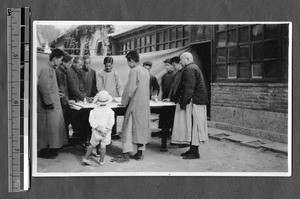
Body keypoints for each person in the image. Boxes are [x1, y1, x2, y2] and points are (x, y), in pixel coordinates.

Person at [111, 50, 151, 163]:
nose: (128, 65)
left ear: (131, 61)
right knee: (141, 129)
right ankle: (140, 153)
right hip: (144, 105)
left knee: (128, 129)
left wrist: (123, 102)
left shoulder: (134, 71)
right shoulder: (145, 71)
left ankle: (126, 155)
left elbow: (130, 90)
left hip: (135, 105)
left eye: (128, 62)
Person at [171, 52, 209, 159]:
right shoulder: (192, 68)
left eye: (181, 60)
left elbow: (189, 88)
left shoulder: (190, 69)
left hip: (195, 102)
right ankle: (192, 149)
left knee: (194, 126)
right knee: (193, 127)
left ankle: (195, 152)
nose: (180, 62)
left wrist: (182, 102)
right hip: (197, 101)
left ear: (187, 59)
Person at [37, 48, 68, 159]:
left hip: (52, 105)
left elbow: (49, 87)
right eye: (60, 60)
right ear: (54, 58)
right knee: (48, 130)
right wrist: (49, 102)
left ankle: (50, 149)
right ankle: (45, 151)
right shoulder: (46, 69)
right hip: (48, 107)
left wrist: (56, 94)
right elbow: (44, 87)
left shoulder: (51, 69)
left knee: (52, 129)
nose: (61, 62)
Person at [82, 91, 115, 166]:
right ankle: (101, 161)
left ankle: (86, 158)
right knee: (103, 145)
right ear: (108, 101)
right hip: (106, 132)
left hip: (96, 131)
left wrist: (98, 128)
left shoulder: (93, 111)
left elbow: (92, 121)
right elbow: (111, 122)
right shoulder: (110, 111)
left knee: (92, 144)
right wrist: (106, 131)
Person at [155, 58, 178, 138]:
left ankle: (171, 132)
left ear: (172, 65)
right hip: (165, 98)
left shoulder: (176, 75)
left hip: (172, 99)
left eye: (168, 65)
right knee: (164, 115)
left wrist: (171, 97)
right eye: (165, 66)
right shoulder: (164, 76)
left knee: (171, 116)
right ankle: (164, 131)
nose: (167, 67)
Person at [55, 54, 74, 142]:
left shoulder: (63, 71)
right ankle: (64, 142)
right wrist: (67, 101)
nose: (70, 65)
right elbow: (61, 88)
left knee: (66, 121)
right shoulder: (59, 72)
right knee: (64, 121)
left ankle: (65, 141)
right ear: (64, 62)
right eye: (69, 63)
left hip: (64, 100)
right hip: (61, 101)